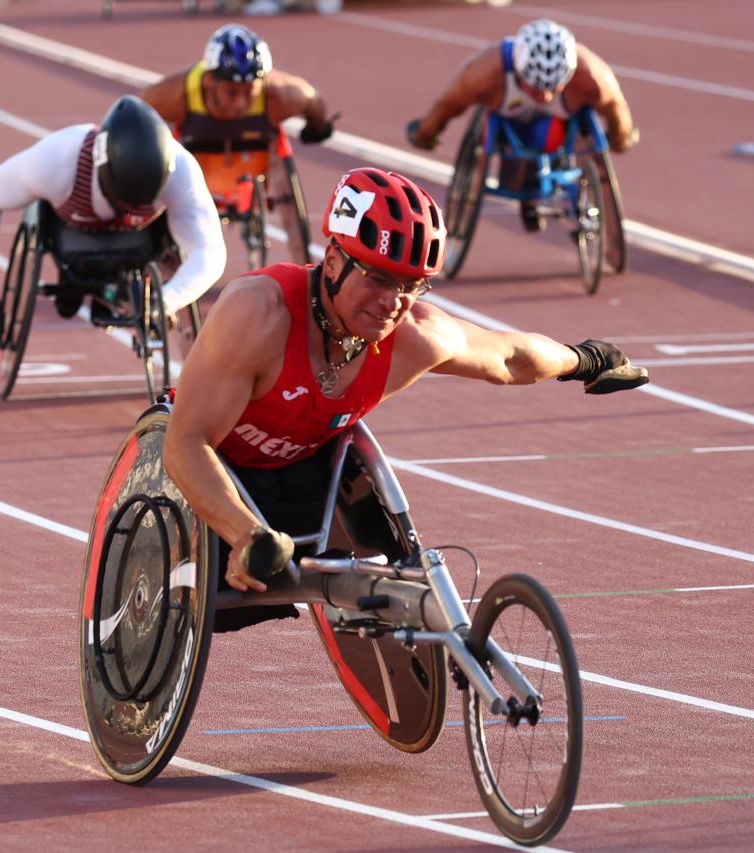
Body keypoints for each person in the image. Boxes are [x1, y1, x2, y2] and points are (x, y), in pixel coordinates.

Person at [161, 167, 646, 625]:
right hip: (209, 471)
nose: (393, 301)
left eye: (412, 285)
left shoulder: (416, 336)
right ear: (332, 261)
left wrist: (585, 359)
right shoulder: (257, 314)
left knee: (386, 537)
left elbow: (511, 357)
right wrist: (244, 534)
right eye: (378, 277)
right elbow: (186, 443)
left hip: (307, 474)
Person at [0, 95, 226, 337]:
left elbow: (208, 252)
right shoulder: (54, 160)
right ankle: (72, 282)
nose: (130, 205)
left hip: (142, 240)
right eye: (126, 197)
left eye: (142, 198)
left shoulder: (181, 171)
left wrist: (166, 299)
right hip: (72, 231)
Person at [406, 18, 638, 232]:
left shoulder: (593, 77)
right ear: (518, 71)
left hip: (559, 130)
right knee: (515, 145)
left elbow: (617, 108)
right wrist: (426, 133)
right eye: (537, 89)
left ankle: (545, 190)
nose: (546, 97)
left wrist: (621, 139)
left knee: (558, 129)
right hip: (511, 128)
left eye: (554, 87)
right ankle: (527, 193)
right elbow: (447, 105)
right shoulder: (483, 73)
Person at [139, 24, 334, 263]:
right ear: (210, 80)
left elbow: (314, 101)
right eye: (232, 92)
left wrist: (316, 128)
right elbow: (139, 114)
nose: (241, 103)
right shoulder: (176, 94)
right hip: (196, 157)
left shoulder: (281, 94)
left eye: (249, 91)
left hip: (251, 160)